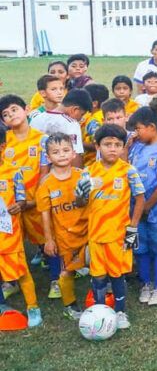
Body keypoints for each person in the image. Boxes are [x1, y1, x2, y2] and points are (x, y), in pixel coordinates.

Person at [78, 124, 147, 330]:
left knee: (117, 275)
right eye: (107, 144)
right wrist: (80, 194)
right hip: (96, 235)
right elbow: (80, 203)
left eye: (117, 144)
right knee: (98, 276)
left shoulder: (128, 170)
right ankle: (100, 310)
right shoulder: (88, 172)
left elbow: (140, 198)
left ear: (123, 147)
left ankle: (120, 311)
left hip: (119, 234)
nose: (112, 148)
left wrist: (133, 227)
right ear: (98, 146)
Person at [126, 108, 157, 306]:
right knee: (139, 248)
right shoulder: (136, 147)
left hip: (155, 209)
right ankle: (145, 284)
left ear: (152, 127)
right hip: (133, 209)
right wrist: (127, 147)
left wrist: (147, 205)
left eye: (138, 128)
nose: (136, 133)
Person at [36, 133, 88, 320]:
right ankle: (70, 306)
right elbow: (45, 214)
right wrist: (48, 240)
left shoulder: (83, 176)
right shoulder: (46, 183)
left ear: (73, 153)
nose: (62, 155)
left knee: (100, 266)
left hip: (89, 232)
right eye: (56, 152)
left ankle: (101, 299)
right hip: (65, 237)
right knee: (67, 271)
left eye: (66, 150)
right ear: (48, 158)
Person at [0, 128, 41, 327]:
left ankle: (32, 307)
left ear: (2, 147)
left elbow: (21, 198)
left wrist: (19, 204)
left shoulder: (13, 171)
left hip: (9, 232)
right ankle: (2, 305)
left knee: (22, 271)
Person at [31, 87, 89, 163]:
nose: (80, 118)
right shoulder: (71, 124)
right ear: (75, 109)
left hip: (34, 168)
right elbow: (75, 155)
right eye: (81, 114)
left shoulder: (36, 119)